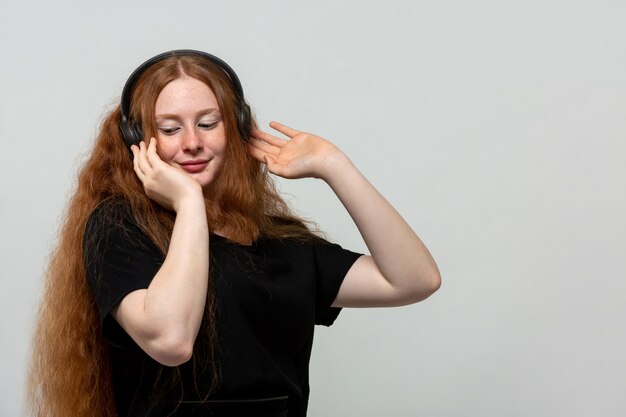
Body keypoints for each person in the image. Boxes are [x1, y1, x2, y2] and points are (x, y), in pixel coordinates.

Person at [28, 50, 441, 417]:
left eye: (208, 123)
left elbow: (413, 280)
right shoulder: (120, 227)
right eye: (170, 129)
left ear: (237, 127)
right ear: (139, 141)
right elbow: (171, 341)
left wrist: (334, 164)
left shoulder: (281, 243)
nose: (192, 142)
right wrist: (189, 203)